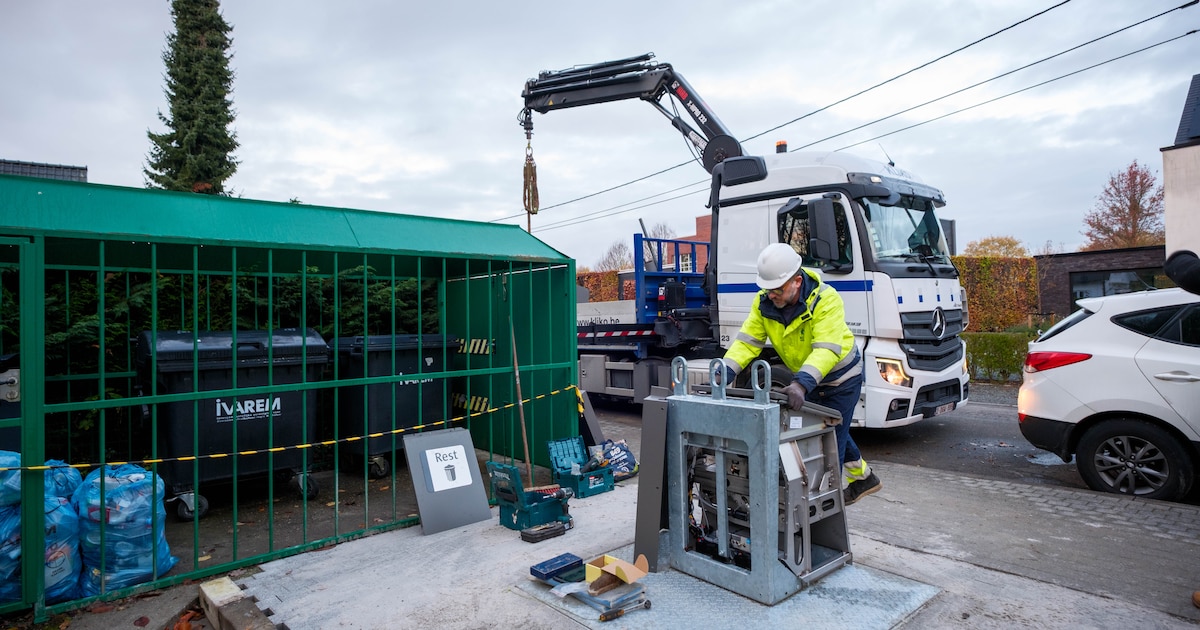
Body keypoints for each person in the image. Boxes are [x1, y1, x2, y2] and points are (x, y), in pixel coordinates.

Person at [721, 243, 881, 505]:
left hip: (842, 379)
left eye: (777, 289)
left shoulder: (826, 300)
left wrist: (800, 384)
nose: (771, 294)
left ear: (796, 281)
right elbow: (747, 343)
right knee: (829, 429)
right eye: (767, 289)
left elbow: (826, 350)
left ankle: (823, 517)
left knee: (827, 447)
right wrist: (724, 371)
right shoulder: (764, 304)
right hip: (809, 379)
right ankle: (864, 478)